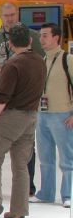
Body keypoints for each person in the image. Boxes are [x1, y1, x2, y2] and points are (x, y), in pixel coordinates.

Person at [0, 24, 46, 218]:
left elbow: (2, 96)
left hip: (9, 117)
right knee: (21, 165)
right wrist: (0, 72)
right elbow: (22, 85)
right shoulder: (39, 62)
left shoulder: (13, 64)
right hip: (30, 117)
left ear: (10, 43)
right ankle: (19, 210)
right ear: (30, 41)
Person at [30, 23, 73, 208]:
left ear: (56, 37)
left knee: (67, 158)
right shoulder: (42, 60)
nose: (41, 39)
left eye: (45, 35)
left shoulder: (67, 60)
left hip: (62, 115)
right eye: (40, 35)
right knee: (45, 157)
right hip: (42, 115)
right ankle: (46, 193)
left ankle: (68, 195)